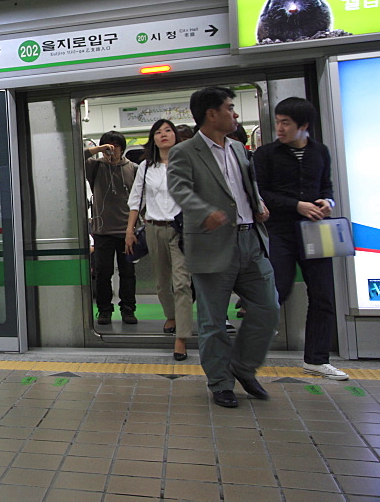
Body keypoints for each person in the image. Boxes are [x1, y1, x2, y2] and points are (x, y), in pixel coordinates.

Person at [167, 87, 278, 409]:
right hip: (211, 243)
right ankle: (220, 383)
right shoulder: (185, 151)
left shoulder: (240, 149)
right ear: (211, 113)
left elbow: (245, 188)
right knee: (213, 321)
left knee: (269, 308)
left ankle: (243, 368)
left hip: (251, 240)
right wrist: (205, 212)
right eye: (230, 108)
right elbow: (179, 189)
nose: (235, 114)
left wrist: (259, 204)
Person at [254, 97, 348, 381]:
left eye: (286, 123)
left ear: (303, 125)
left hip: (316, 229)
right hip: (281, 231)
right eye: (278, 121)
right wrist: (296, 205)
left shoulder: (320, 152)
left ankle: (317, 360)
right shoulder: (266, 154)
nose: (279, 128)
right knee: (277, 289)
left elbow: (327, 185)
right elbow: (261, 193)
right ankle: (249, 352)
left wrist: (327, 201)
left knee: (322, 295)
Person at [124, 119, 192, 360]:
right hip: (153, 228)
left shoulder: (187, 163)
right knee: (162, 283)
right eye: (158, 132)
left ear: (176, 136)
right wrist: (130, 230)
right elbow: (136, 200)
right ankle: (171, 315)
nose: (164, 135)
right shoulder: (145, 167)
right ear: (153, 138)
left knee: (182, 282)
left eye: (168, 131)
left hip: (181, 229)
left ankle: (181, 338)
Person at [85, 131, 138, 325]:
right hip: (102, 231)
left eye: (115, 146)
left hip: (127, 231)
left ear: (123, 148)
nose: (112, 149)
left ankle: (128, 309)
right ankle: (104, 310)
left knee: (128, 273)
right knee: (102, 273)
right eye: (108, 145)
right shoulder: (95, 166)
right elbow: (76, 157)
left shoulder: (133, 168)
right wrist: (99, 150)